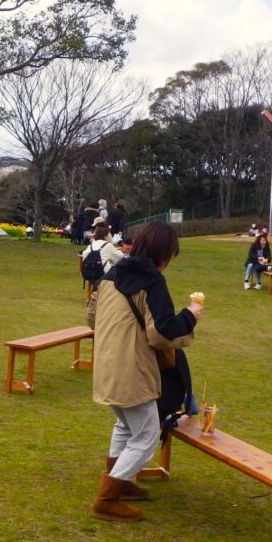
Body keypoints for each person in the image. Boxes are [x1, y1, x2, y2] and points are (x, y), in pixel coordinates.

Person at [90, 222, 202, 521]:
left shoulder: (110, 275)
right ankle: (107, 497)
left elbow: (91, 317)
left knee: (126, 427)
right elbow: (162, 334)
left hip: (106, 364)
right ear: (163, 254)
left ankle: (122, 482)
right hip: (132, 370)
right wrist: (190, 316)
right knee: (147, 436)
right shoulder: (152, 282)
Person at [82, 219, 125, 329]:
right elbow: (119, 258)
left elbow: (84, 255)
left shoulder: (91, 245)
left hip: (90, 274)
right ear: (106, 235)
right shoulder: (108, 245)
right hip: (104, 276)